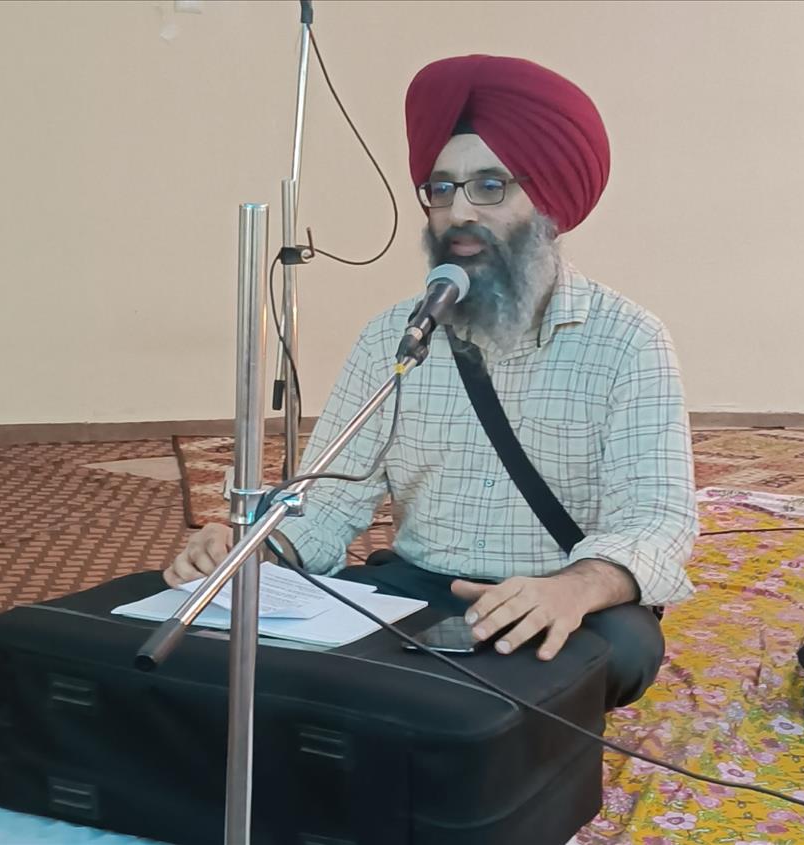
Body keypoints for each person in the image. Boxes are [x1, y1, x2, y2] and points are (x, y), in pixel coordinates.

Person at [165, 54, 698, 710]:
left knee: (622, 650)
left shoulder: (629, 340)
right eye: (440, 189)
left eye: (489, 186)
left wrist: (577, 587)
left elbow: (655, 519)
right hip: (420, 587)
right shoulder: (394, 335)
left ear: (550, 204)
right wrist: (253, 547)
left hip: (557, 589)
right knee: (266, 635)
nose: (457, 211)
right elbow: (329, 501)